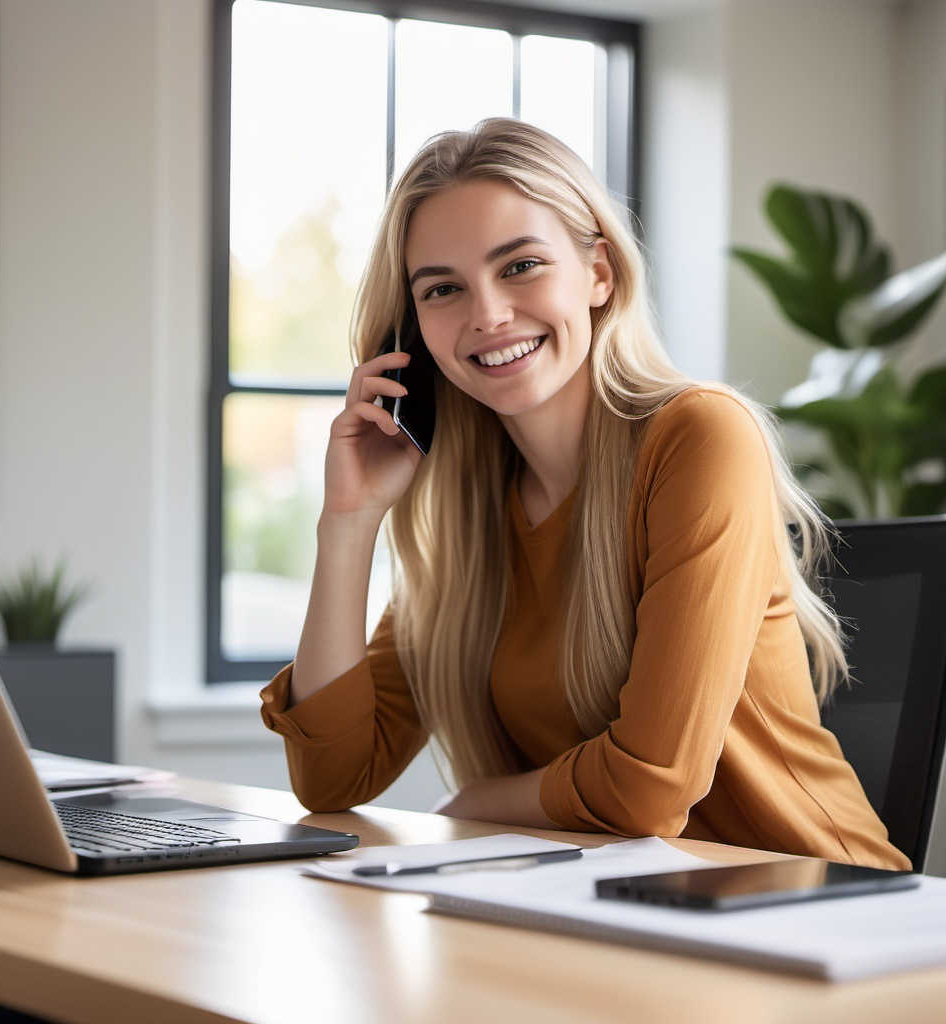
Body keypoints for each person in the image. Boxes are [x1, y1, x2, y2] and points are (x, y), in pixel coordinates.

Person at [259, 117, 908, 870]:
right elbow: (332, 779)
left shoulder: (700, 438)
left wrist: (475, 805)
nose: (487, 315)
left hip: (814, 898)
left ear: (598, 272)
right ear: (413, 335)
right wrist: (349, 524)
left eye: (521, 265)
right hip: (613, 908)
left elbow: (649, 789)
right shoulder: (469, 520)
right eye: (442, 289)